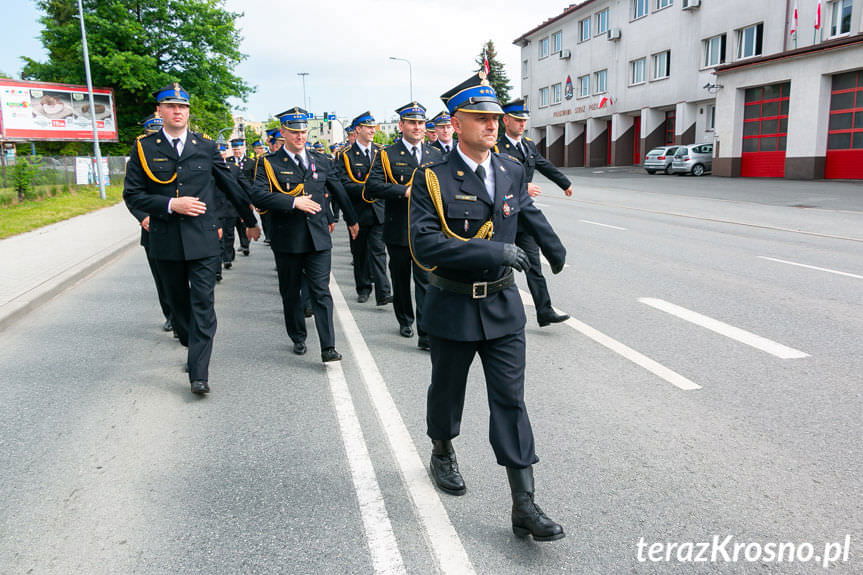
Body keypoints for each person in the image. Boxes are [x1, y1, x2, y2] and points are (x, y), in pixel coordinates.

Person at [409, 73, 567, 541]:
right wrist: (494, 250)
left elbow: (522, 212)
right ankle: (442, 450)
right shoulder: (432, 176)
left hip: (501, 306)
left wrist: (552, 246)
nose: (492, 125)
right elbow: (425, 243)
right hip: (453, 304)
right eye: (480, 118)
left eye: (495, 118)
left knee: (510, 401)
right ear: (457, 123)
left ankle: (524, 503)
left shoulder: (511, 169)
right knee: (447, 390)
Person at [123, 83, 264, 395]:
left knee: (203, 303)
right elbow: (132, 194)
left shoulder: (205, 146)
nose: (177, 112)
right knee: (178, 303)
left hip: (203, 238)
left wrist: (250, 221)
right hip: (166, 239)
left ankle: (199, 373)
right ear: (159, 111)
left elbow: (230, 185)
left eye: (183, 107)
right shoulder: (145, 148)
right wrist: (171, 204)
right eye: (171, 106)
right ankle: (190, 341)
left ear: (188, 111)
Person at [254, 107, 360, 362]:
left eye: (303, 132)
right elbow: (257, 194)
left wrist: (352, 220)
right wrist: (292, 202)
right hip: (287, 237)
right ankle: (298, 336)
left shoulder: (320, 160)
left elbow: (337, 190)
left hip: (318, 236)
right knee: (291, 292)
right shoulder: (269, 163)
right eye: (294, 132)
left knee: (321, 291)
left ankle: (328, 347)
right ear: (283, 132)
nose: (300, 136)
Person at [366, 102, 443, 351]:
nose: (417, 127)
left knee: (426, 280)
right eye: (412, 123)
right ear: (401, 125)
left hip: (426, 229)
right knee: (400, 279)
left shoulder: (435, 154)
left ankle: (426, 332)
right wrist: (403, 191)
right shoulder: (387, 154)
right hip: (398, 228)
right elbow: (372, 186)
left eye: (421, 123)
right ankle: (405, 319)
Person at [497, 98, 572, 327]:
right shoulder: (495, 147)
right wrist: (522, 186)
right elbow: (493, 178)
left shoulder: (528, 145)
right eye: (517, 120)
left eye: (524, 121)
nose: (522, 124)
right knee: (498, 266)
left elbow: (543, 164)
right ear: (506, 120)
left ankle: (545, 310)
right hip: (502, 217)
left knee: (533, 265)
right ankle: (495, 315)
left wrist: (564, 183)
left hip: (524, 216)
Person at [336, 111, 392, 305]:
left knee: (378, 251)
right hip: (358, 212)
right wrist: (369, 189)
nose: (372, 131)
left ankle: (383, 292)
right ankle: (363, 288)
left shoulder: (381, 152)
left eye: (373, 127)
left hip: (379, 210)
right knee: (359, 253)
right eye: (368, 127)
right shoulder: (346, 155)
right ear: (358, 129)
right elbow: (343, 184)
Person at [128, 113, 173, 334]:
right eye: (151, 135)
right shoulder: (139, 158)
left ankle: (186, 314)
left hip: (182, 225)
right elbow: (132, 194)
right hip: (153, 228)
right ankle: (171, 315)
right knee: (162, 277)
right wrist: (143, 216)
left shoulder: (180, 153)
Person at [226, 137, 252, 257]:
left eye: (239, 149)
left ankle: (245, 244)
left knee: (243, 223)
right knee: (230, 225)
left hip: (243, 197)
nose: (237, 151)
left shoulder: (251, 162)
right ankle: (228, 254)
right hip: (230, 198)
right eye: (235, 149)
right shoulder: (228, 161)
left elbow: (252, 181)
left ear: (244, 148)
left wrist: (251, 199)